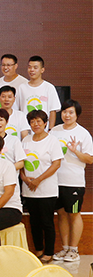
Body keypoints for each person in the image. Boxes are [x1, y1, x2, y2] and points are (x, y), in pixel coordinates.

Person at [50, 100, 93, 262]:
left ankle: (74, 250)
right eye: (64, 112)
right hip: (55, 181)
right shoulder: (54, 131)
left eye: (71, 112)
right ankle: (65, 248)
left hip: (74, 182)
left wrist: (75, 151)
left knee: (74, 214)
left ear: (77, 115)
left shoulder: (83, 133)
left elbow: (90, 159)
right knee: (61, 214)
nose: (67, 115)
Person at [20, 109, 63, 262]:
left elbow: (56, 164)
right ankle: (38, 250)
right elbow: (21, 163)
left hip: (46, 190)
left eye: (39, 121)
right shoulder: (26, 140)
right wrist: (24, 178)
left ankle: (49, 252)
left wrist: (38, 180)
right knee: (34, 222)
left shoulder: (52, 140)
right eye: (32, 122)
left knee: (47, 222)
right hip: (29, 189)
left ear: (45, 123)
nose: (35, 124)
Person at [18, 56, 61, 129]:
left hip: (43, 130)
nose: (32, 70)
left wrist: (50, 129)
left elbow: (52, 111)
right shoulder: (21, 87)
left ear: (42, 70)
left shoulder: (49, 87)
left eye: (35, 67)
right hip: (26, 130)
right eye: (29, 67)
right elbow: (17, 109)